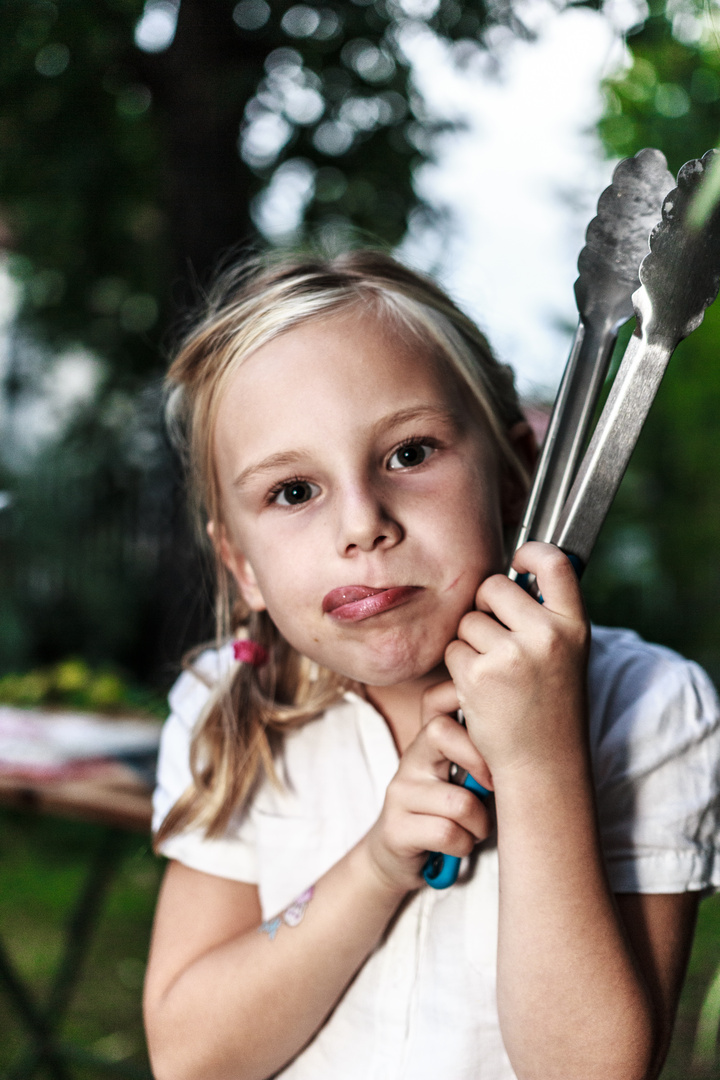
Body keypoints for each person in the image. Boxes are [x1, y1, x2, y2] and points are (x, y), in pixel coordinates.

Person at [143, 250, 720, 1080]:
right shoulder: (232, 706)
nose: (362, 524)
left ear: (519, 471)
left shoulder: (651, 707)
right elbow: (192, 1056)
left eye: (410, 454)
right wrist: (376, 867)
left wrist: (537, 757)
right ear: (242, 567)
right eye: (294, 492)